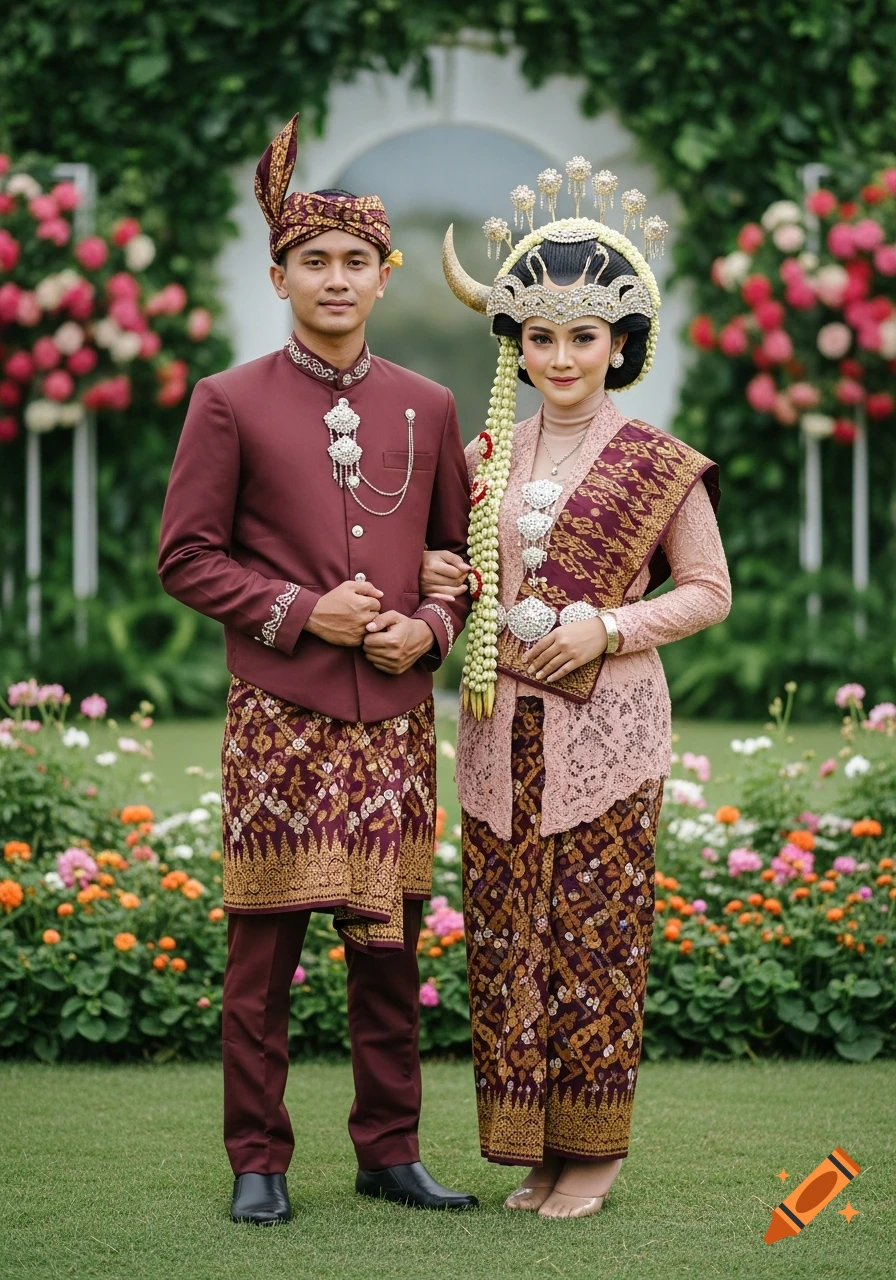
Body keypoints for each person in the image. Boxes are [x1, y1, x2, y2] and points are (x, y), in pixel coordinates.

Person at [158, 115, 476, 1224]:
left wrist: (426, 630)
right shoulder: (227, 400)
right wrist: (304, 611)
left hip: (391, 720)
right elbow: (185, 557)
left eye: (354, 263)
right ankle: (258, 1158)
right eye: (313, 262)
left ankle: (390, 1151)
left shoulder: (428, 405)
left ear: (383, 277)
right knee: (262, 961)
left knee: (387, 957)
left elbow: (459, 563)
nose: (334, 279)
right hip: (278, 719)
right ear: (279, 274)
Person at [424, 163, 731, 1218]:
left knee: (595, 936)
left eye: (583, 336)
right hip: (495, 729)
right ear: (518, 341)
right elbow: (461, 575)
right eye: (541, 336)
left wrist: (604, 624)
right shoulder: (481, 456)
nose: (560, 357)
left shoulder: (657, 463)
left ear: (620, 344)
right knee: (510, 937)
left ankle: (593, 1152)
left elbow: (705, 591)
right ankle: (535, 1145)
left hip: (606, 733)